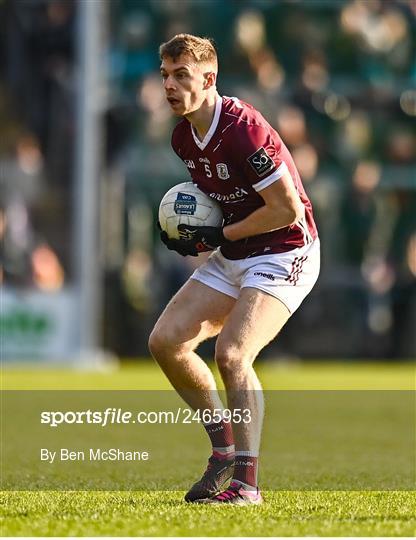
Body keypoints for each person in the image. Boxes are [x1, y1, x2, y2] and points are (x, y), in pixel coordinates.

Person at [148, 34, 320, 505]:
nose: (170, 85)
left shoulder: (244, 129)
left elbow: (285, 210)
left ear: (209, 78)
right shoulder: (183, 137)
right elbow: (222, 206)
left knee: (232, 354)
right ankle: (223, 448)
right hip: (239, 251)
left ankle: (247, 485)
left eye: (181, 75)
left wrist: (221, 236)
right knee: (166, 342)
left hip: (286, 251)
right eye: (165, 75)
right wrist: (192, 232)